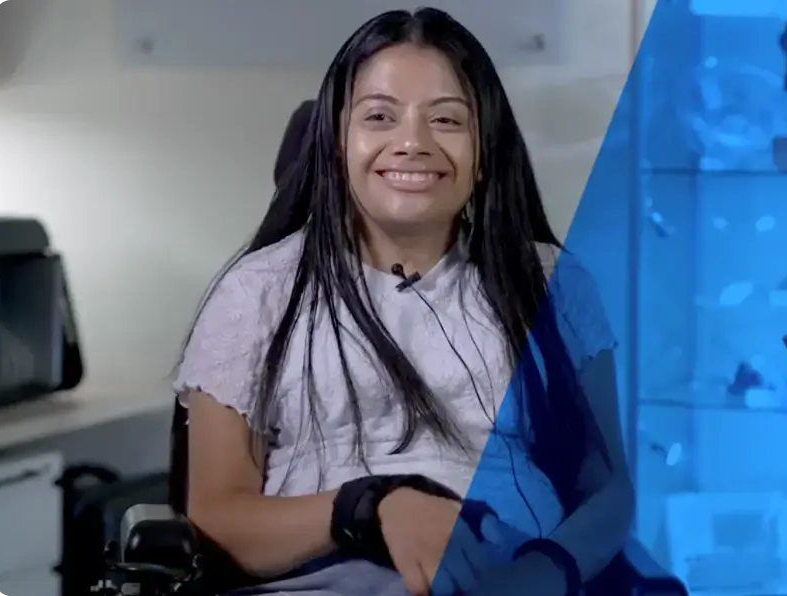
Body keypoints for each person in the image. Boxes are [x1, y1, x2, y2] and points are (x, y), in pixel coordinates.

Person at [175, 8, 633, 596]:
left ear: (484, 147)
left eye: (446, 119)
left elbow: (608, 487)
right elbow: (217, 515)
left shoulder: (553, 284)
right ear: (338, 142)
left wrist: (545, 572)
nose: (413, 143)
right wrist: (371, 508)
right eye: (380, 117)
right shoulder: (257, 292)